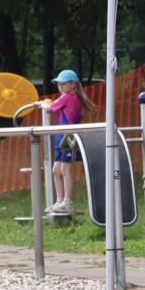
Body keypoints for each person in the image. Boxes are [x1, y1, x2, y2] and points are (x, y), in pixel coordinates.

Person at [42, 69, 97, 214]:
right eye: (58, 84)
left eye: (63, 84)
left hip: (69, 136)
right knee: (56, 170)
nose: (60, 86)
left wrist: (43, 104)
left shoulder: (68, 97)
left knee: (64, 169)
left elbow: (49, 108)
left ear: (72, 84)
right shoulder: (68, 97)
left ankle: (67, 201)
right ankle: (59, 201)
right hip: (61, 136)